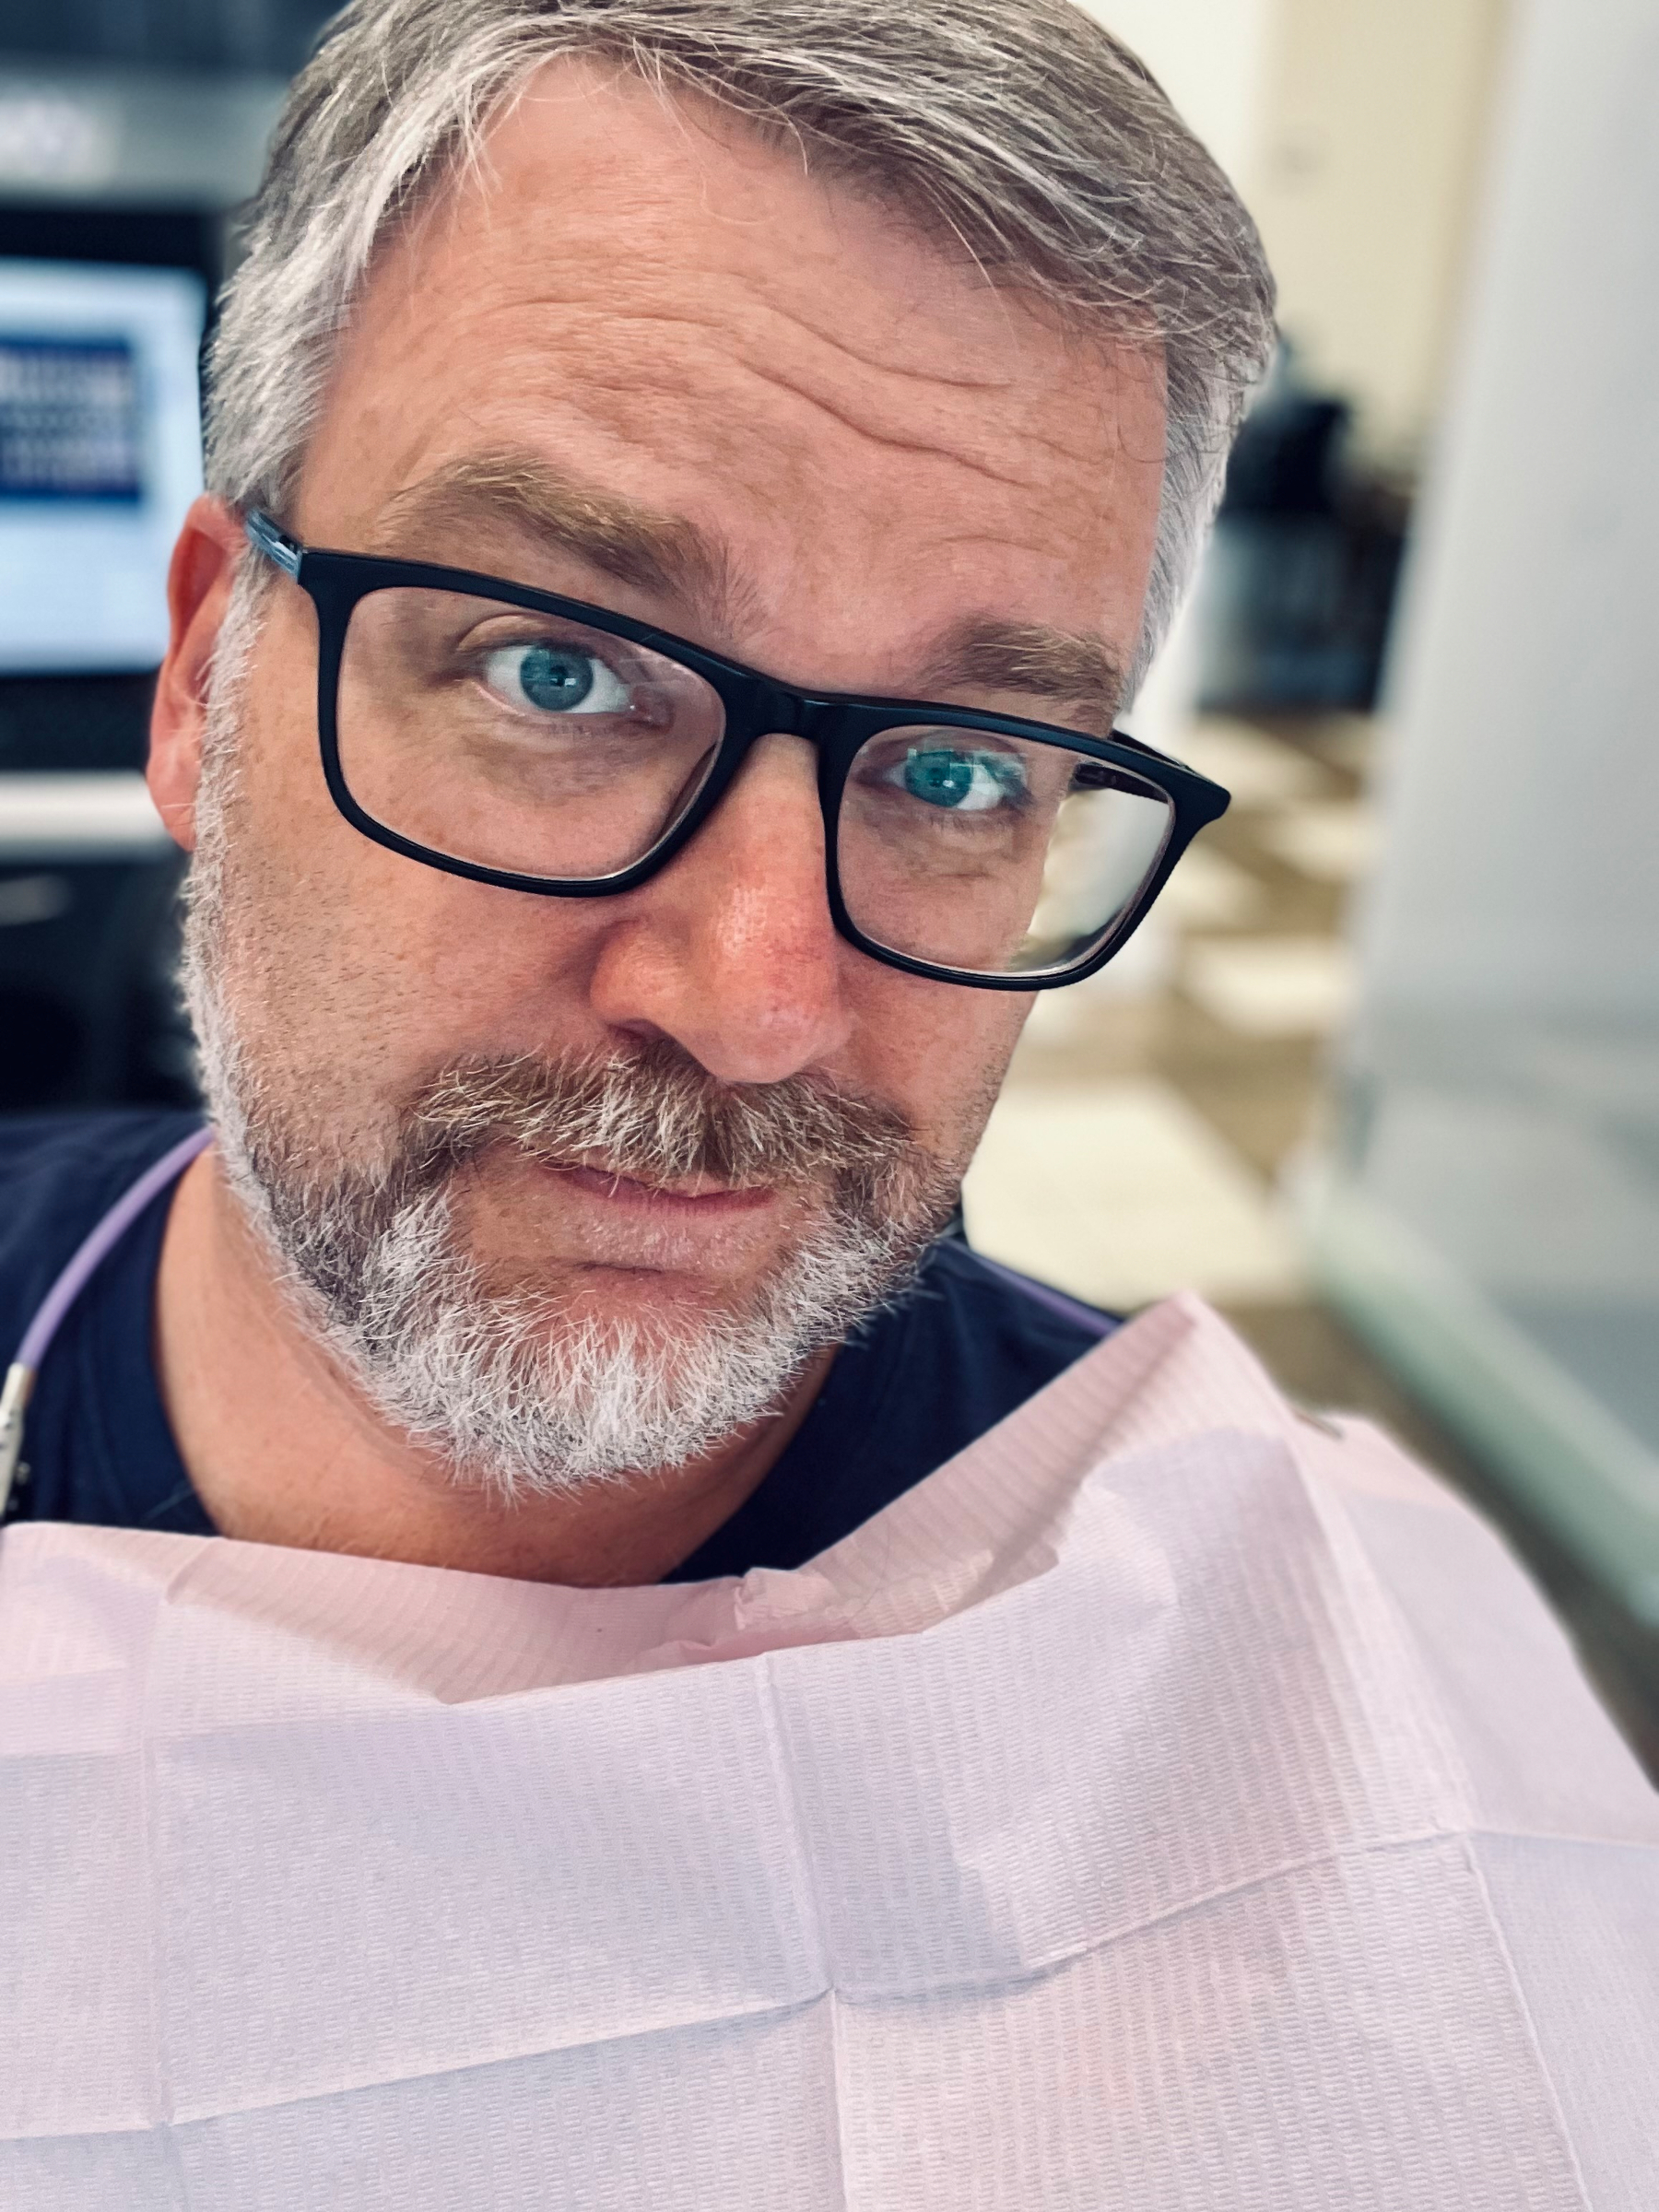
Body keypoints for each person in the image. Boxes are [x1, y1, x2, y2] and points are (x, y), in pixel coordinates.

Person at [0, 0, 1273, 1586]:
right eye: (559, 675)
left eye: (957, 770)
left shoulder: (1227, 1638)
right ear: (202, 682)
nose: (754, 1004)